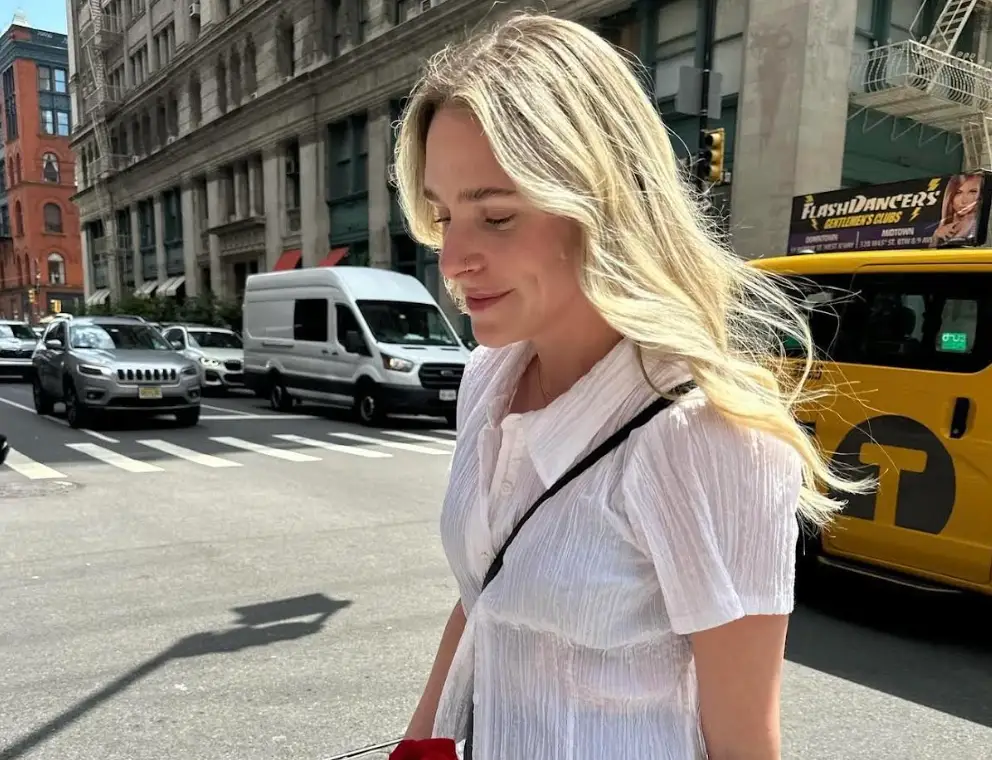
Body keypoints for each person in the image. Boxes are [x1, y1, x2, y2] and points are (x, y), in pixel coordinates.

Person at [391, 13, 866, 760]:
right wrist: (418, 740)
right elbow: (484, 588)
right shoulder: (489, 379)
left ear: (604, 205)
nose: (452, 257)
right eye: (444, 214)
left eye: (496, 215)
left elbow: (744, 740)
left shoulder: (709, 436)